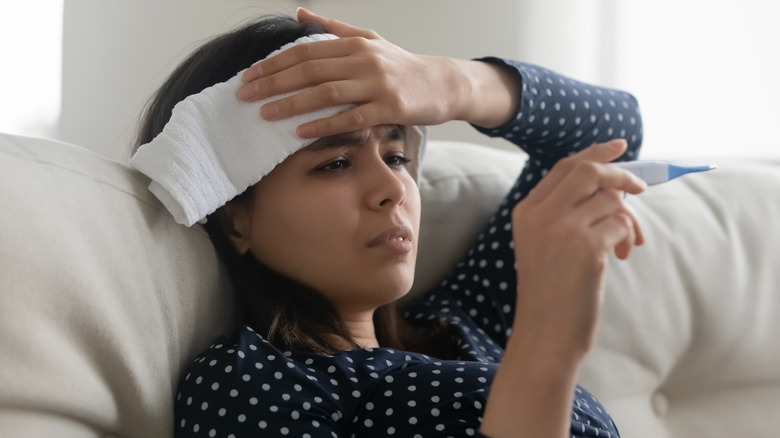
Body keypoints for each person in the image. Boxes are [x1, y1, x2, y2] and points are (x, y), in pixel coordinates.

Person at [134, 8, 646, 438]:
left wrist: (451, 83)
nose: (393, 188)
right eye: (334, 163)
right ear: (234, 218)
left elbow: (610, 141)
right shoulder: (247, 383)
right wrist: (546, 346)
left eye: (397, 155)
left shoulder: (461, 327)